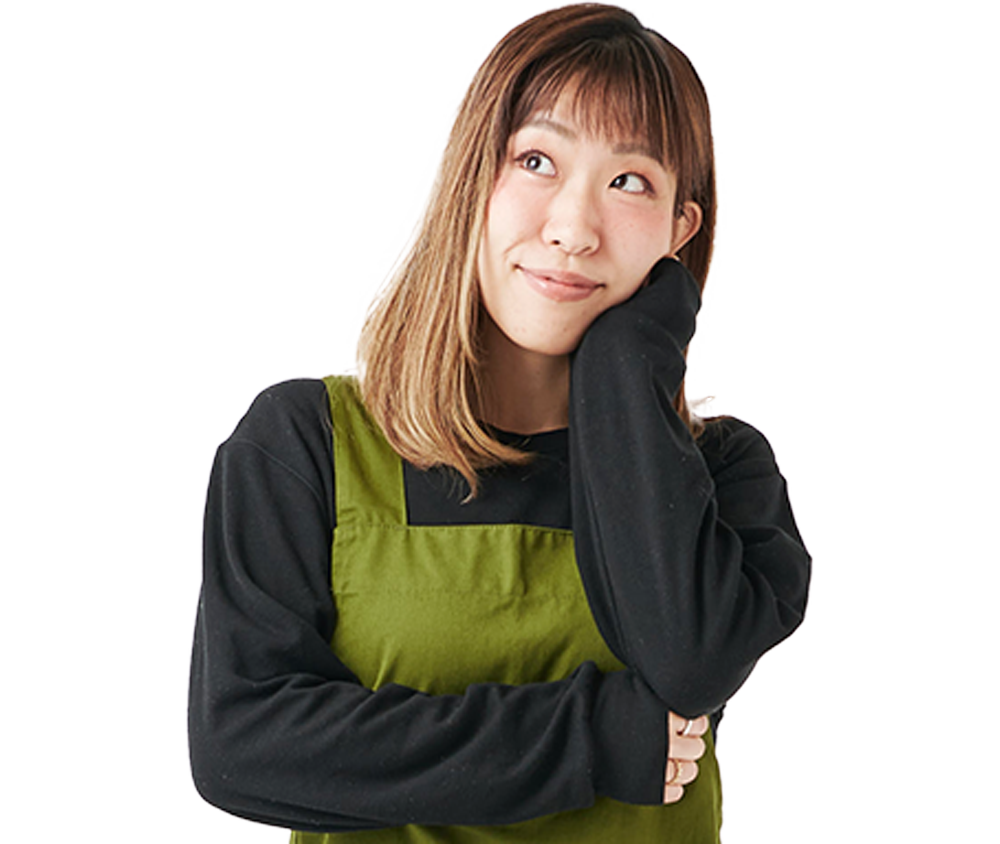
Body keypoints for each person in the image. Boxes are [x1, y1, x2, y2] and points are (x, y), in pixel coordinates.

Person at [187, 3, 812, 842]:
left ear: (680, 230)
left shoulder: (726, 474)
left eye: (630, 181)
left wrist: (627, 363)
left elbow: (689, 661)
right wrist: (594, 738)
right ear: (471, 179)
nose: (573, 229)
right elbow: (244, 746)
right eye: (536, 160)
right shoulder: (308, 445)